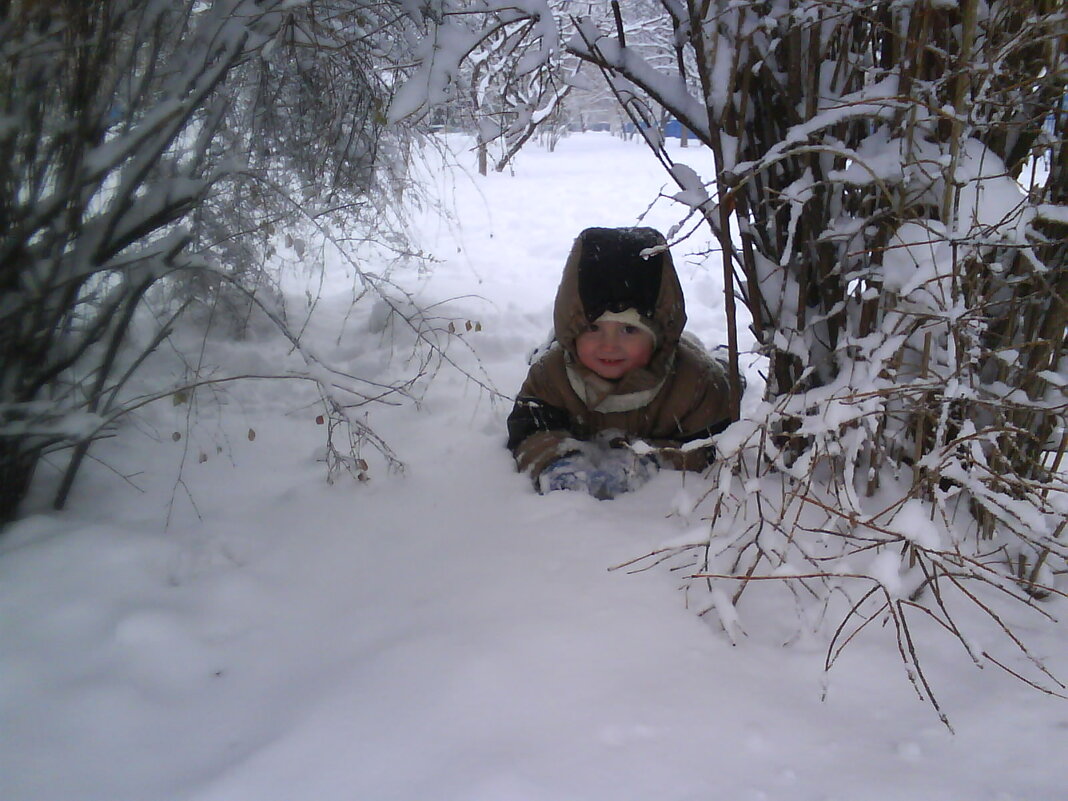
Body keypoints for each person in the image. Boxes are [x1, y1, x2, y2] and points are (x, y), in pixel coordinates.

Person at [506, 226, 736, 499]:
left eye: (629, 330)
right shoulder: (551, 375)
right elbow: (529, 429)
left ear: (658, 336)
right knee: (550, 355)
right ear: (572, 329)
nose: (609, 345)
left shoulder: (696, 383)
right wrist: (557, 462)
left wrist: (652, 461)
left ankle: (719, 354)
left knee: (726, 373)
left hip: (694, 359)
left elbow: (709, 445)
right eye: (593, 328)